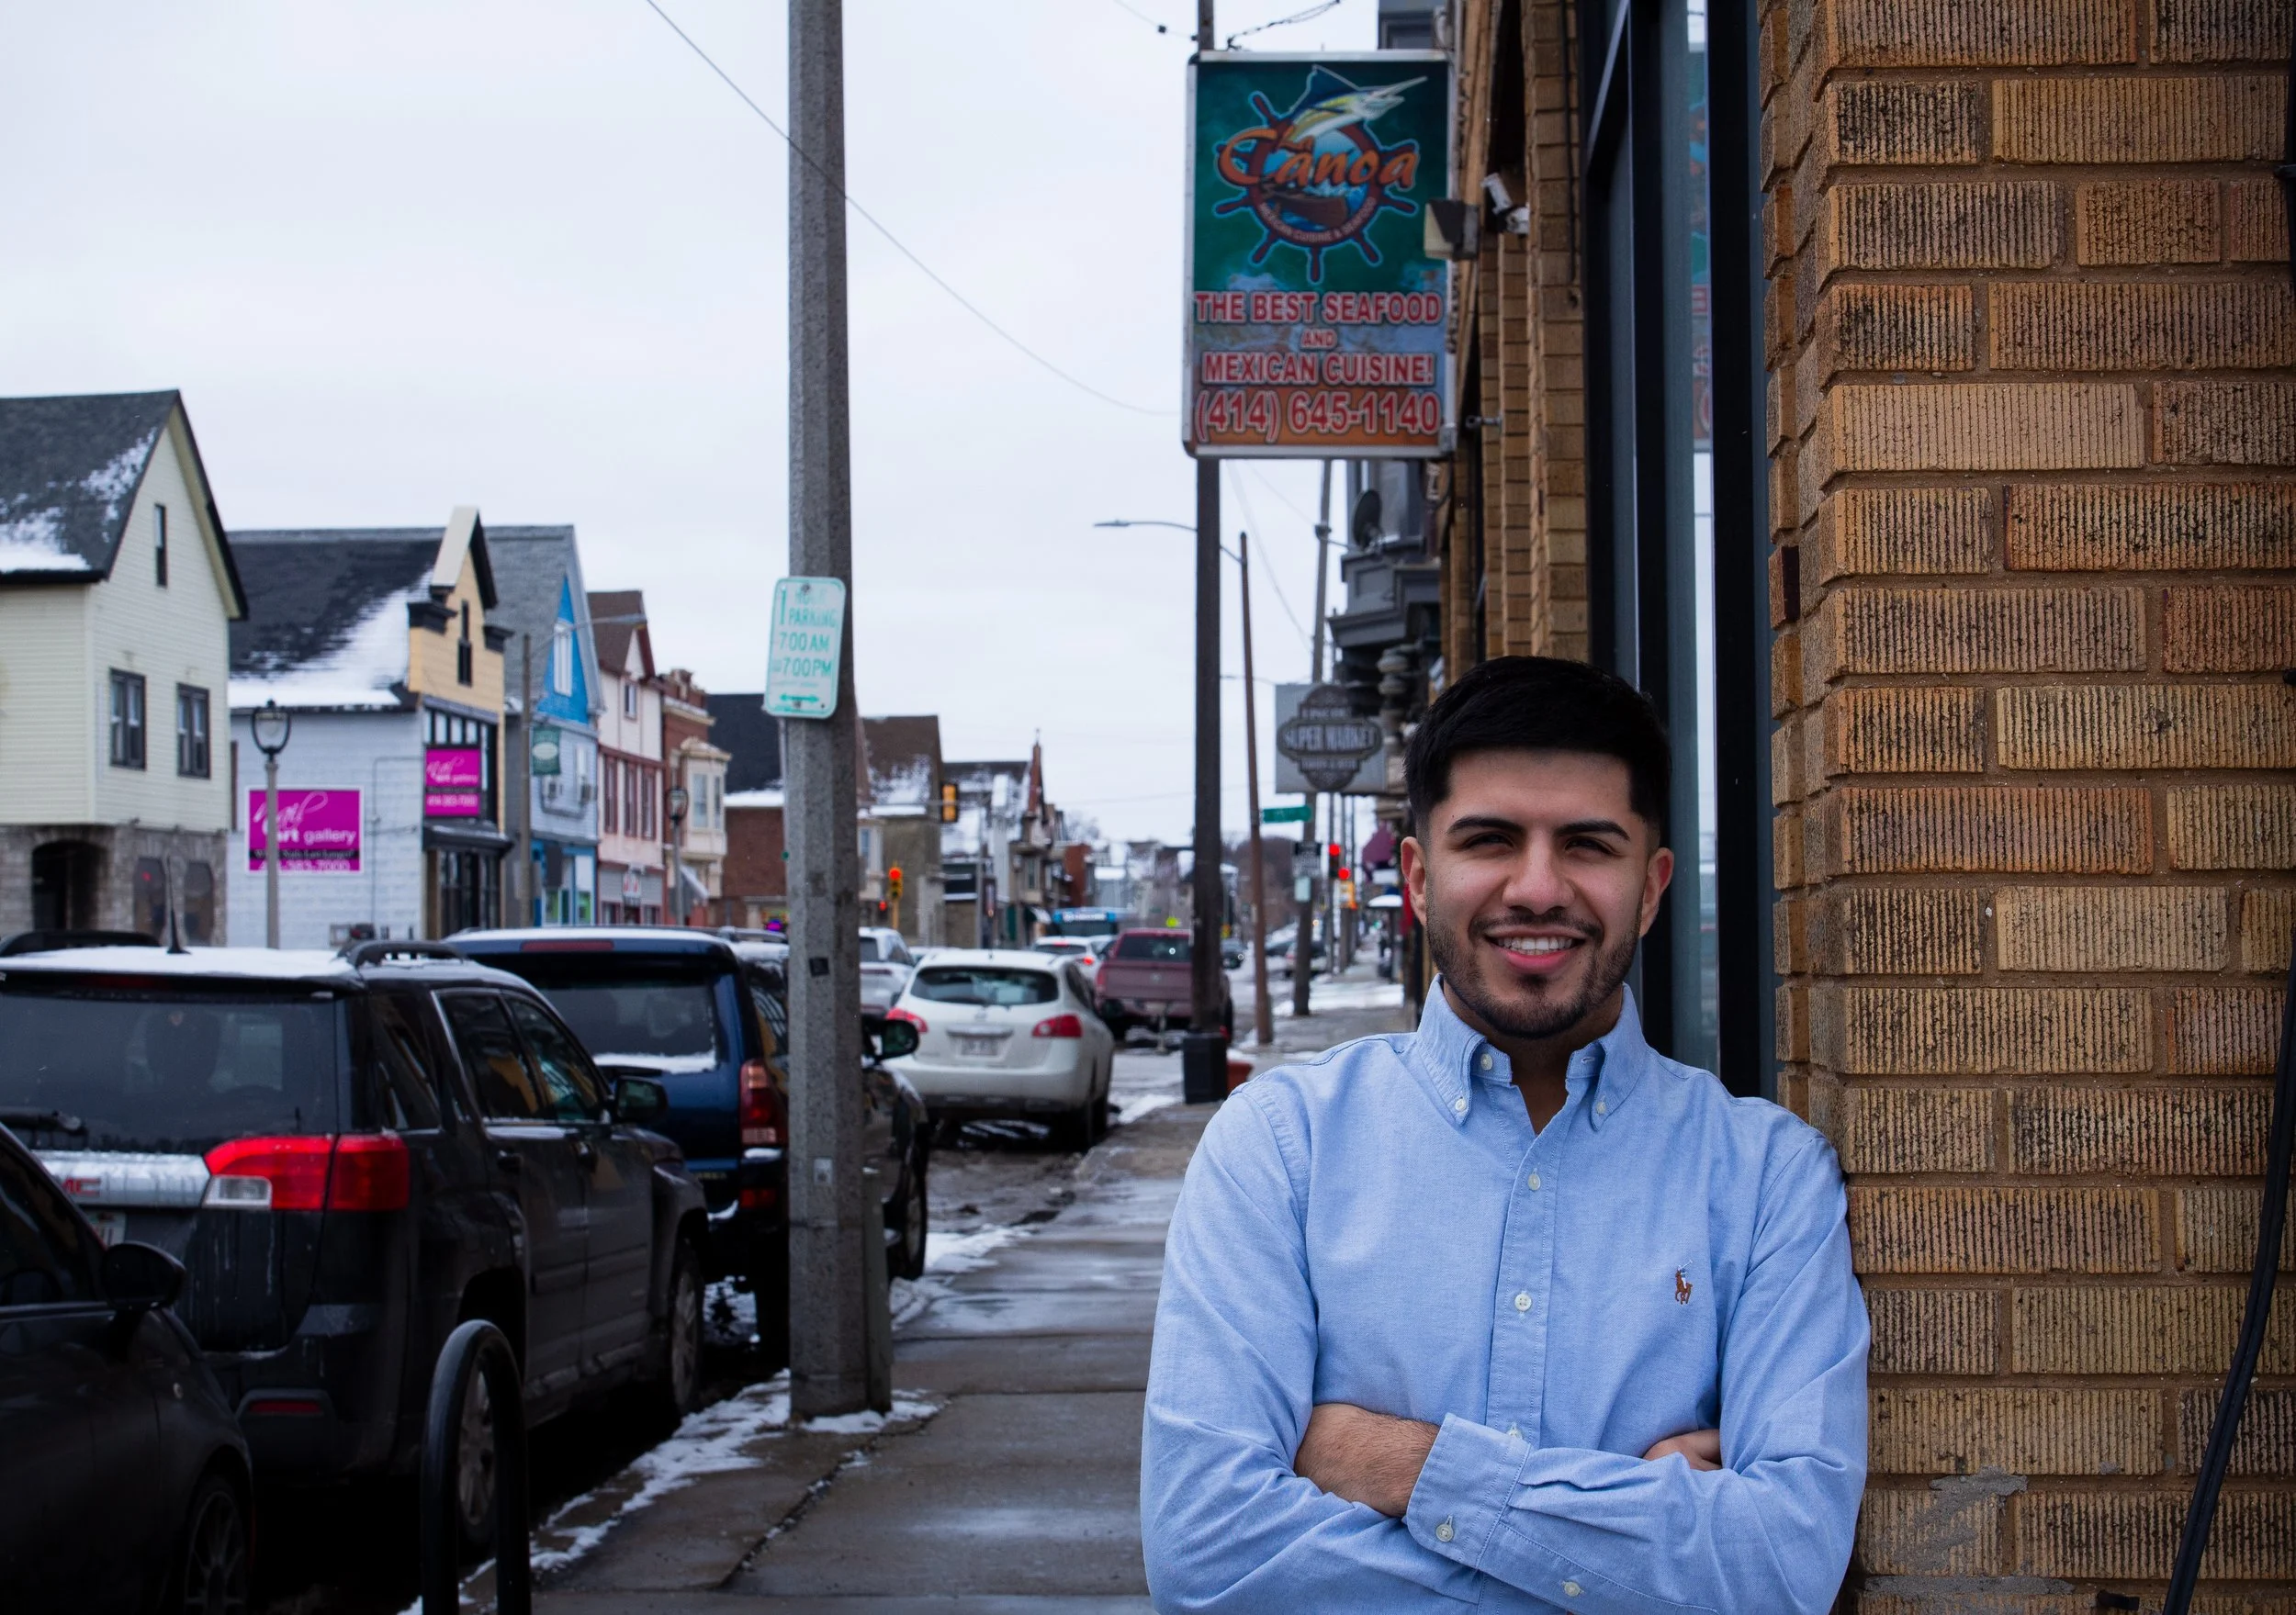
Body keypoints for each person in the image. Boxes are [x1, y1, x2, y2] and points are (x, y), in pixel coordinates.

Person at [1141, 656, 1865, 1613]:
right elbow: (1207, 1558)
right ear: (1415, 874)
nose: (1535, 887)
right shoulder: (1281, 1149)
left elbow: (1779, 1567)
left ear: (1650, 888)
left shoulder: (1766, 1178)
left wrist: (1397, 1463)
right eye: (1488, 839)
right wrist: (1634, 1533)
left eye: (1586, 845)